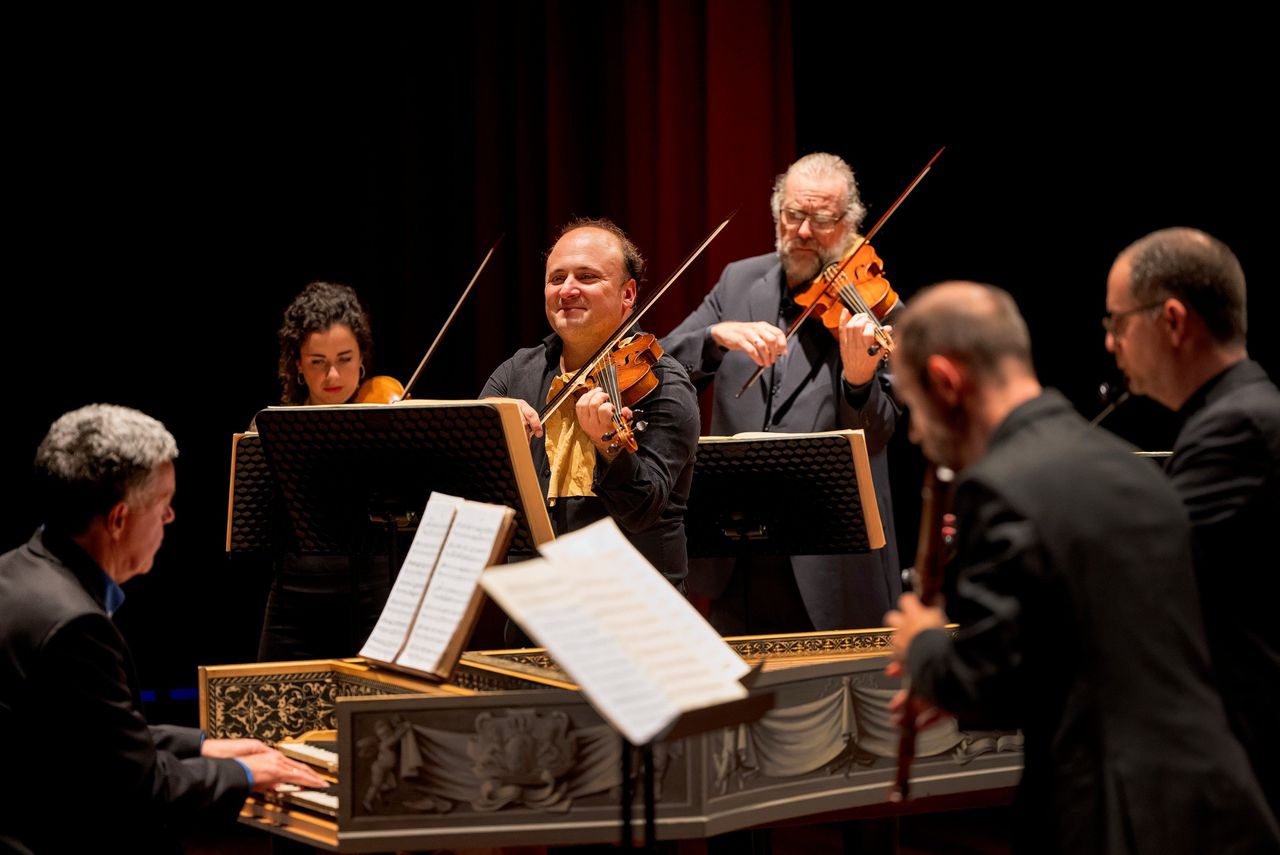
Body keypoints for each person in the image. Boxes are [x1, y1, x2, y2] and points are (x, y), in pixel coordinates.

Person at [883, 282, 1278, 853]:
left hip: (1115, 812)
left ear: (947, 383)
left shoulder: (999, 487)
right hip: (1216, 799)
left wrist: (922, 647)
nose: (917, 433)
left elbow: (989, 682)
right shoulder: (1128, 465)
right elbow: (1088, 648)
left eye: (914, 409)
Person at [0, 404, 326, 853]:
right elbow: (142, 791)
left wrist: (206, 747)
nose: (169, 520)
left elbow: (88, 736)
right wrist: (248, 775)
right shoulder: (77, 626)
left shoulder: (15, 572)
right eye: (164, 506)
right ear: (118, 520)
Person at [662, 152, 899, 633]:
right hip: (739, 553)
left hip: (831, 557)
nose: (804, 232)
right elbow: (662, 367)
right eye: (793, 215)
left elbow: (881, 433)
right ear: (778, 214)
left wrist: (858, 381)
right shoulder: (738, 280)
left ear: (850, 223)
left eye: (823, 219)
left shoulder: (876, 308)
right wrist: (714, 338)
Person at [1105, 227, 1279, 816]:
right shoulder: (1242, 413)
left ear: (1172, 321)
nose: (1111, 343)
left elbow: (1150, 591)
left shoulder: (1236, 430)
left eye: (1117, 322)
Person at [481, 218, 700, 586]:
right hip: (535, 601)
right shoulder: (517, 374)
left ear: (628, 294)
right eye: (556, 278)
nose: (567, 290)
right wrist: (489, 424)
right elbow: (472, 482)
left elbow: (643, 511)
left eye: (586, 277)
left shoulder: (663, 382)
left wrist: (609, 445)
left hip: (632, 603)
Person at [257, 281, 392, 661]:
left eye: (345, 359)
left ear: (362, 355)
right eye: (318, 362)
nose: (333, 376)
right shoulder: (270, 430)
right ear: (297, 363)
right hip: (294, 598)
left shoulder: (391, 417)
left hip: (373, 595)